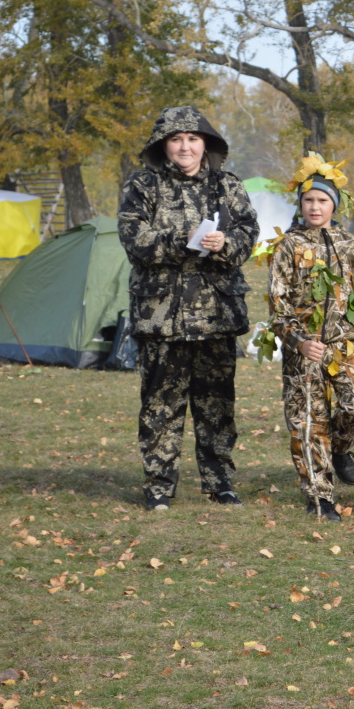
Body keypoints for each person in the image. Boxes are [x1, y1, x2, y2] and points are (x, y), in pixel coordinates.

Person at [118, 106, 260, 511]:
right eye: (176, 139)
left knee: (217, 405)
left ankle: (220, 481)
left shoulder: (227, 186)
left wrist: (225, 244)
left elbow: (248, 231)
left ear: (206, 144)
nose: (185, 146)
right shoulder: (143, 186)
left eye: (193, 139)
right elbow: (134, 238)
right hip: (163, 315)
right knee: (161, 405)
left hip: (215, 314)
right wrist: (184, 238)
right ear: (163, 144)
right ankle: (159, 485)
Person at [267, 156, 354, 520]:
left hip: (344, 346)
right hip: (306, 351)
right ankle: (320, 498)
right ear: (301, 204)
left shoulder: (349, 244)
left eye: (323, 200)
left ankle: (339, 450)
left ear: (334, 205)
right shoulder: (288, 247)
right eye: (309, 200)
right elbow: (278, 309)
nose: (315, 206)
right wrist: (299, 342)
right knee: (309, 422)